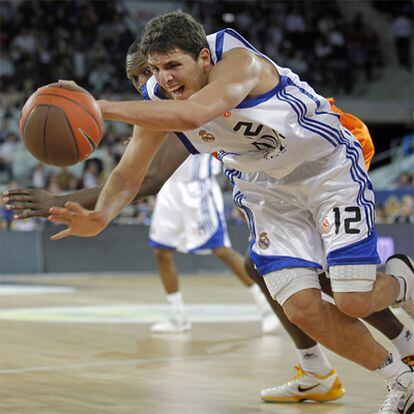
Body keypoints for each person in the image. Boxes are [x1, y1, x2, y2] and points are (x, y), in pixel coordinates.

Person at [7, 21, 414, 410]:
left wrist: (94, 109)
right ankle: (358, 373)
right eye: (149, 74)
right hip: (267, 186)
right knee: (287, 288)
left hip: (326, 156)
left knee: (345, 287)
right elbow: (139, 175)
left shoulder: (235, 64)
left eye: (166, 68)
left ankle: (401, 306)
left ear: (202, 58)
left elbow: (183, 128)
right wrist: (97, 212)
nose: (155, 84)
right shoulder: (163, 99)